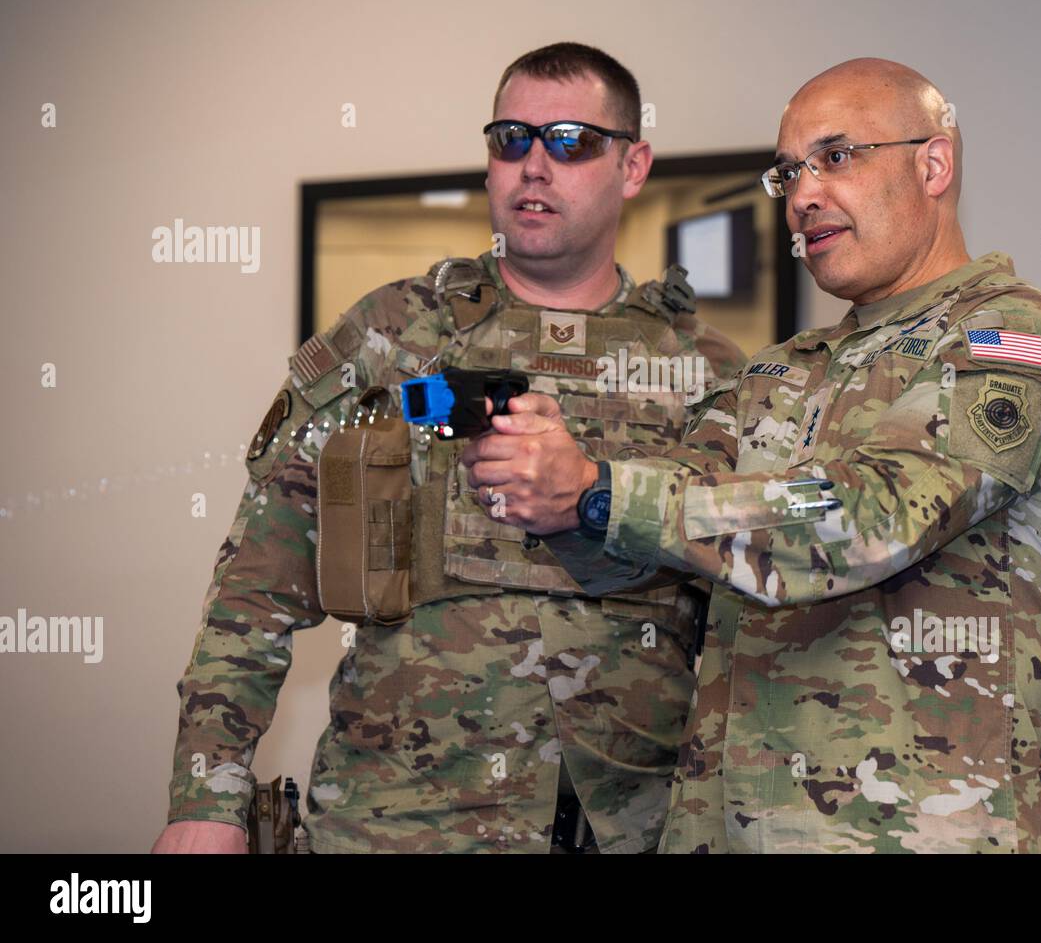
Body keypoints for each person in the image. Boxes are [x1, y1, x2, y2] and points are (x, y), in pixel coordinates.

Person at [462, 57, 1041, 853]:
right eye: (787, 173)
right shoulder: (779, 370)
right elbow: (649, 548)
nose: (803, 195)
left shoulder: (1012, 340)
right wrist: (552, 494)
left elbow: (872, 515)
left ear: (933, 163)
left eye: (836, 157)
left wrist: (598, 491)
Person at [152, 42, 747, 854]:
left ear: (632, 164)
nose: (534, 165)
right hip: (399, 822)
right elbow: (257, 586)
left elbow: (756, 620)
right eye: (512, 139)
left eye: (570, 140)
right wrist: (206, 798)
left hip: (634, 828)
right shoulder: (394, 337)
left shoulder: (704, 374)